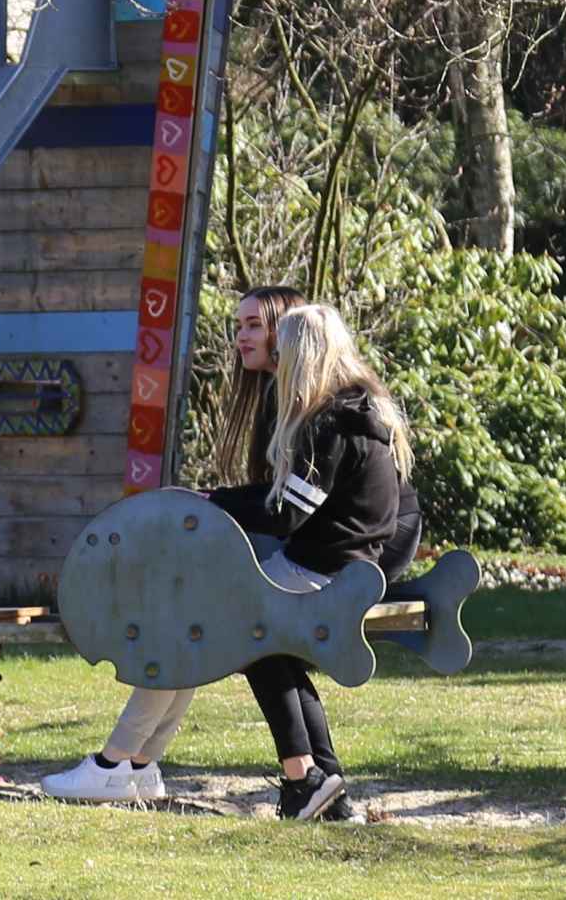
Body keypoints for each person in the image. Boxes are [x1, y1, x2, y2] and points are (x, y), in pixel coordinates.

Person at [41, 286, 306, 805]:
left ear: (286, 330)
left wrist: (216, 504)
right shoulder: (277, 398)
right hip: (294, 550)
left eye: (254, 324)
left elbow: (288, 506)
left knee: (184, 617)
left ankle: (116, 762)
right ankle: (138, 763)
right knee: (186, 620)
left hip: (311, 558)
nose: (241, 336)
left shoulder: (299, 404)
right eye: (239, 325)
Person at [209, 303, 414, 820]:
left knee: (248, 630)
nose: (276, 360)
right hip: (352, 565)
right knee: (276, 649)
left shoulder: (329, 423)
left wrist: (212, 501)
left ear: (303, 354)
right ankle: (326, 788)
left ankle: (303, 776)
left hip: (323, 566)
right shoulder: (368, 411)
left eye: (283, 350)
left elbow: (285, 516)